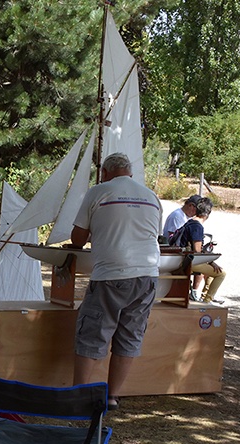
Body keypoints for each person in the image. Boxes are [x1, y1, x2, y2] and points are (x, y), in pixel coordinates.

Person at [70, 153, 162, 409]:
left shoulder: (99, 191)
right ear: (130, 174)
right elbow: (152, 234)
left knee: (93, 333)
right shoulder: (151, 196)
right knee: (130, 335)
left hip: (111, 274)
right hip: (147, 275)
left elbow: (77, 238)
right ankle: (111, 397)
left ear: (104, 173)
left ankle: (78, 395)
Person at [174, 197, 226, 304]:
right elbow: (197, 252)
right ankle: (207, 300)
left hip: (181, 258)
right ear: (207, 214)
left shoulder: (189, 222)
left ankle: (205, 296)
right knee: (221, 273)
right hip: (188, 262)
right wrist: (211, 261)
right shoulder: (197, 227)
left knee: (212, 271)